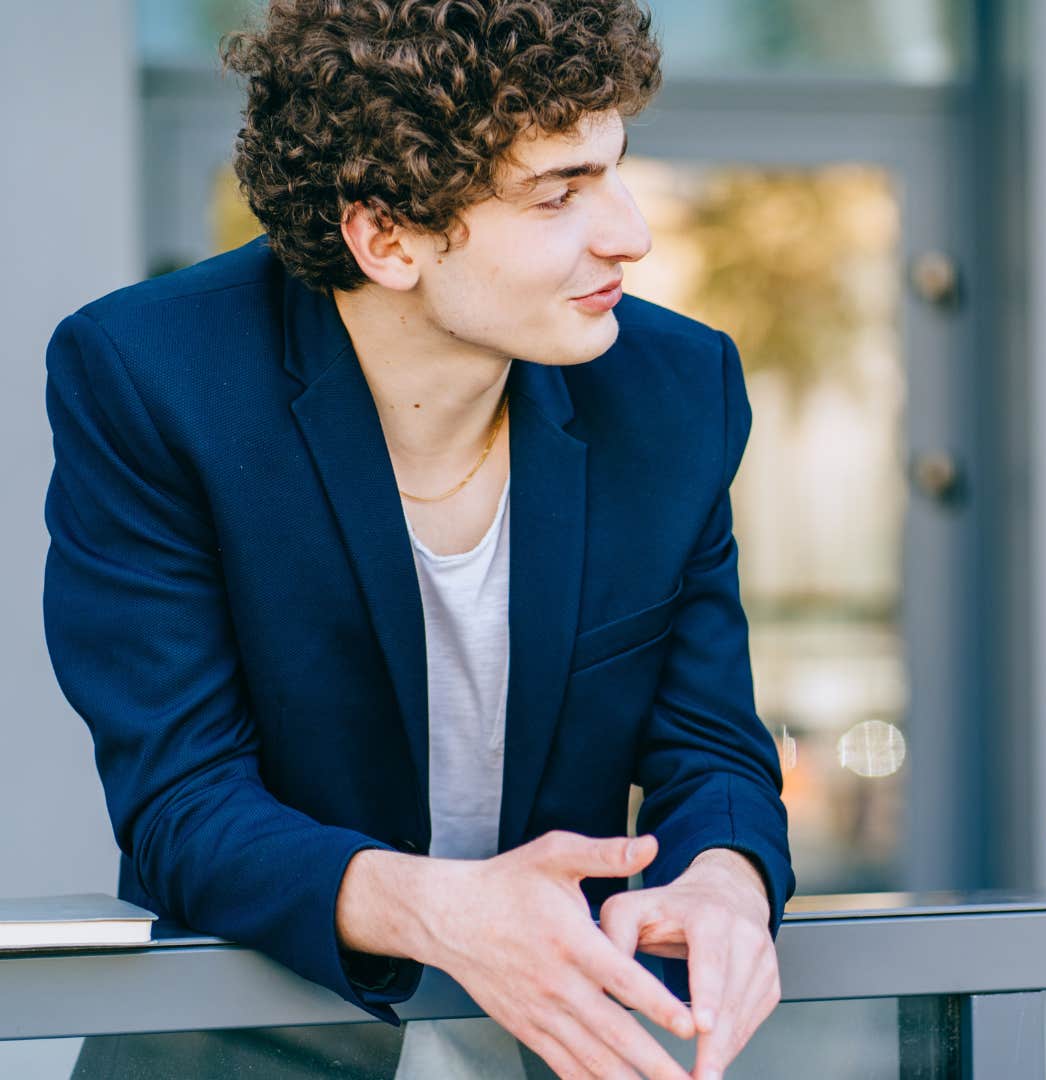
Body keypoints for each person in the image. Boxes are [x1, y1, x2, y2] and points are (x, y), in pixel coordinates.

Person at [42, 2, 790, 1078]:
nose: (630, 232)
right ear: (386, 238)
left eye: (615, 170)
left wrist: (725, 877)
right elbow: (183, 802)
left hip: (564, 1047)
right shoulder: (153, 378)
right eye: (560, 193)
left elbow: (710, 746)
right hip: (249, 1044)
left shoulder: (676, 389)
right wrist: (443, 912)